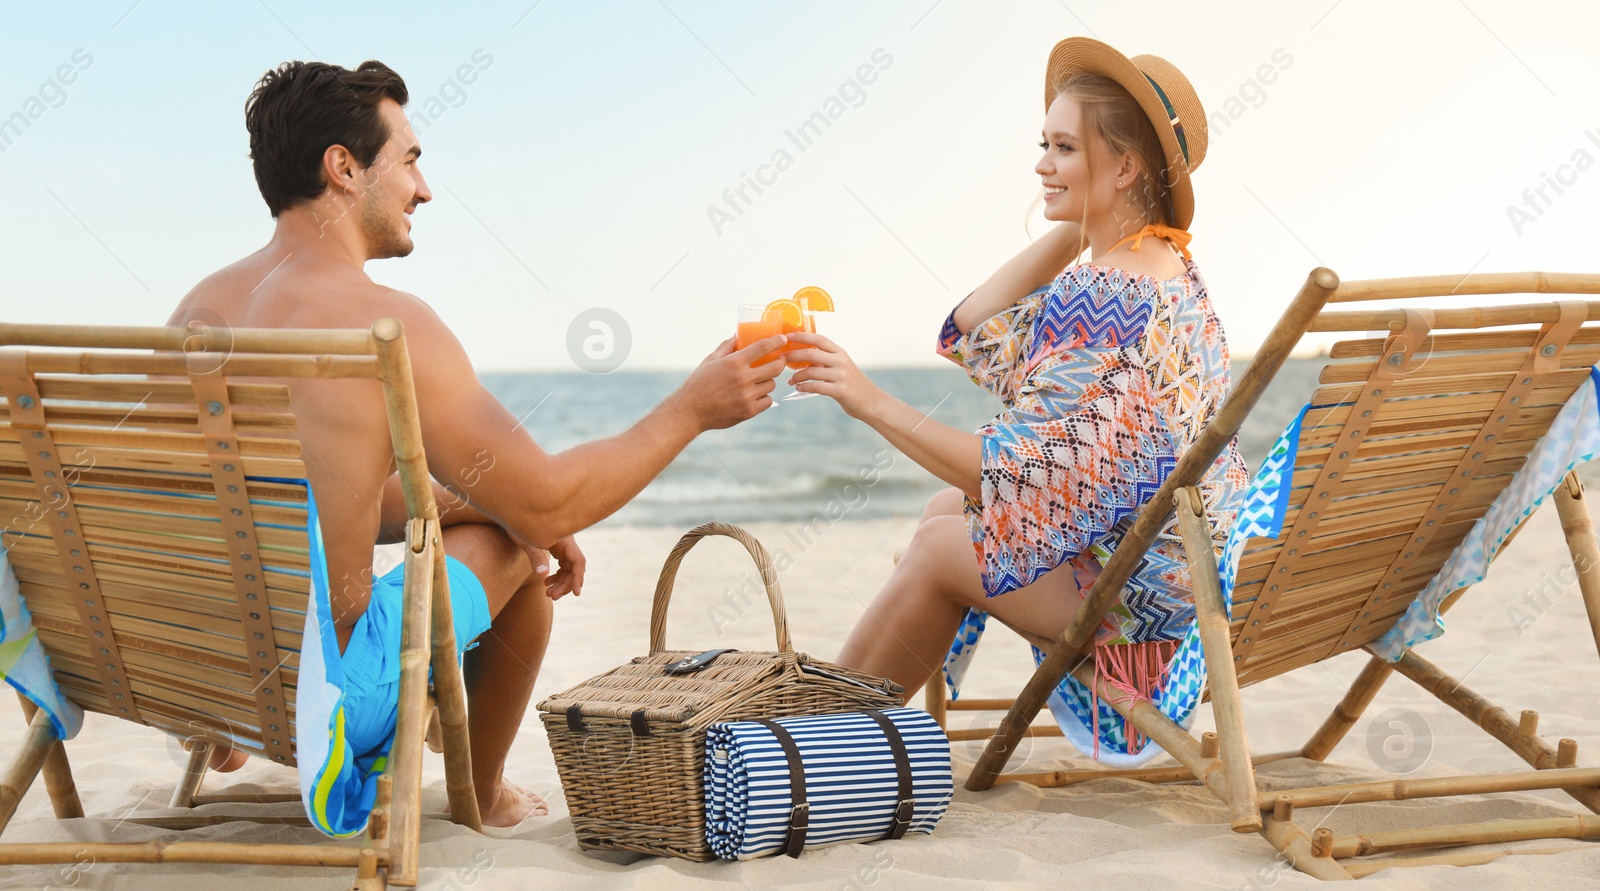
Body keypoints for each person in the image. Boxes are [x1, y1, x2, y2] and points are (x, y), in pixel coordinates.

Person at [170, 60, 789, 824]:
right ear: (342, 168)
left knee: (492, 521)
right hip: (323, 698)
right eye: (409, 160)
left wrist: (462, 503)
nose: (423, 190)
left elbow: (310, 497)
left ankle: (239, 738)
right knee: (514, 548)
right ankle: (482, 795)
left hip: (195, 668)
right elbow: (548, 498)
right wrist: (690, 410)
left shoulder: (201, 313)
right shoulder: (379, 320)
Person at [784, 38, 1248, 757]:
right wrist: (1083, 220)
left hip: (1140, 647)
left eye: (1064, 148)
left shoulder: (1104, 296)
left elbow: (1013, 479)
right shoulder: (1173, 278)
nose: (1041, 165)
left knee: (944, 541)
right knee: (948, 514)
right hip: (1191, 619)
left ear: (1125, 167)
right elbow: (972, 330)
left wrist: (864, 398)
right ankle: (827, 726)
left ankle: (817, 751)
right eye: (1046, 144)